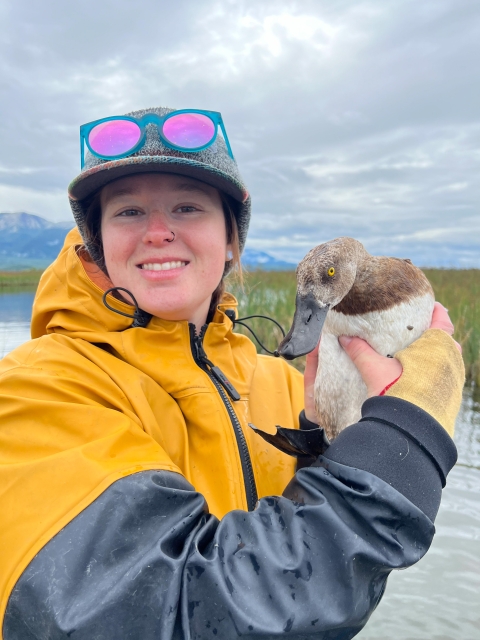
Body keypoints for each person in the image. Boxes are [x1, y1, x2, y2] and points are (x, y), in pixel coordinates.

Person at [0, 106, 464, 640]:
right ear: (97, 241)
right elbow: (164, 611)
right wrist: (403, 440)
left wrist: (319, 445)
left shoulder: (287, 385)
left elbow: (324, 601)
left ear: (230, 242)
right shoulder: (35, 391)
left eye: (187, 207)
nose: (157, 232)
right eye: (127, 212)